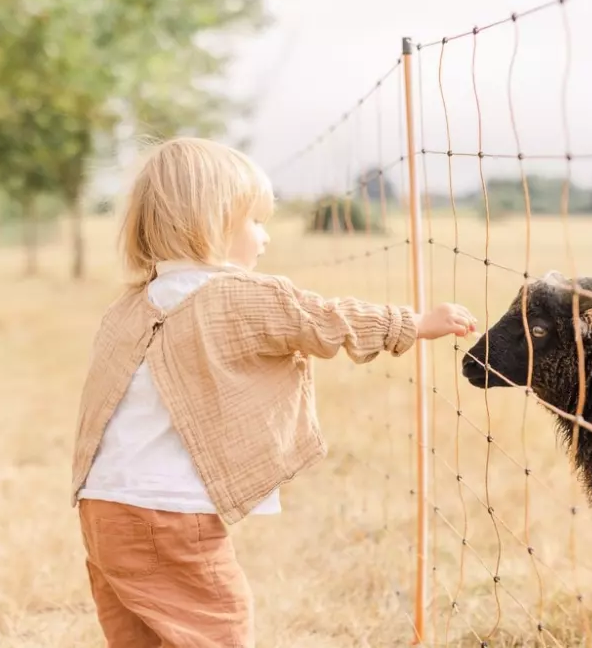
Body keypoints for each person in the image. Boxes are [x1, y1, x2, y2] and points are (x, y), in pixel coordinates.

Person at [70, 136, 477, 647]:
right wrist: (414, 323)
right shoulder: (242, 296)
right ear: (215, 222)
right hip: (169, 514)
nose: (264, 238)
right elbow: (328, 321)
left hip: (100, 506)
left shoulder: (130, 306)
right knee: (221, 628)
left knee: (142, 637)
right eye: (256, 221)